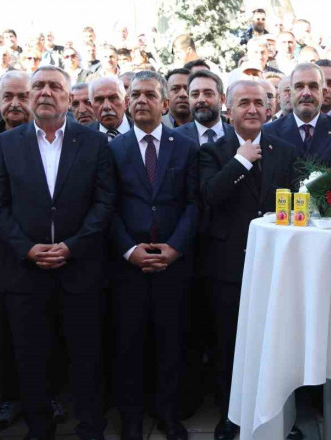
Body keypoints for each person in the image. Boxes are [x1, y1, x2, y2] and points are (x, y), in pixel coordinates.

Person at [0, 65, 114, 440]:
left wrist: (72, 247)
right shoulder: (8, 144)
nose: (44, 92)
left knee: (86, 357)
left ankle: (91, 427)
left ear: (69, 96)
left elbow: (105, 203)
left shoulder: (94, 142)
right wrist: (27, 249)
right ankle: (39, 428)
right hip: (27, 273)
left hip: (81, 271)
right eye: (37, 86)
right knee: (31, 360)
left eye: (54, 86)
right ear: (28, 94)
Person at [198, 80, 297, 440]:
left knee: (277, 344)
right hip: (228, 265)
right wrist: (242, 159)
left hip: (275, 267)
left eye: (259, 102)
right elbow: (210, 195)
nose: (252, 109)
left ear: (270, 109)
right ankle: (231, 417)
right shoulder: (213, 151)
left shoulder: (285, 150)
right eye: (244, 103)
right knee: (229, 345)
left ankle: (281, 418)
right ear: (229, 108)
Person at [109, 70, 198, 440]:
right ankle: (131, 417)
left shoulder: (186, 146)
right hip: (128, 266)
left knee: (170, 343)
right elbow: (106, 207)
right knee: (128, 345)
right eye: (135, 95)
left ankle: (168, 414)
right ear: (127, 103)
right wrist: (129, 250)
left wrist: (174, 248)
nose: (141, 100)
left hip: (172, 265)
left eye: (149, 95)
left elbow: (194, 204)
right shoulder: (113, 150)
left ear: (164, 103)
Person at [263, 63, 331, 166]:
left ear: (324, 93)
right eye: (299, 87)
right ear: (290, 93)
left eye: (313, 86)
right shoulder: (268, 133)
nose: (306, 93)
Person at [175, 70, 230, 147]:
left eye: (208, 94)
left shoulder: (237, 134)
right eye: (195, 94)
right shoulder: (175, 138)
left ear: (222, 99)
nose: (201, 100)